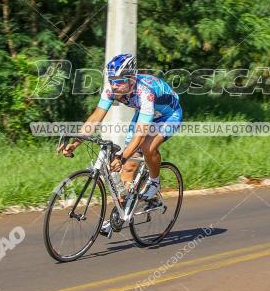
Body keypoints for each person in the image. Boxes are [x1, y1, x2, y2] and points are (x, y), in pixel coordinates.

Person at [58, 53, 182, 231]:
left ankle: (154, 182)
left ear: (131, 79)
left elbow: (140, 136)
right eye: (112, 80)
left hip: (169, 114)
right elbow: (95, 118)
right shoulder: (112, 89)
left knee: (146, 147)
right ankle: (121, 214)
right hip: (145, 113)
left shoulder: (145, 92)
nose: (114, 85)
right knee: (128, 168)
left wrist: (122, 156)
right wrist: (76, 142)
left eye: (119, 80)